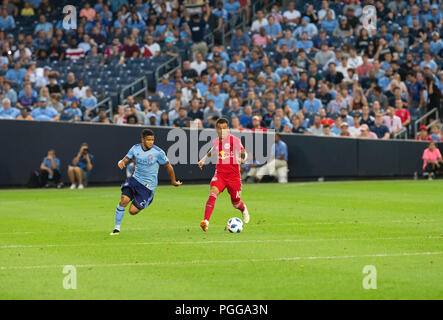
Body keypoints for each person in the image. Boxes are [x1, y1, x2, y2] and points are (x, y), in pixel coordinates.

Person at [111, 129, 182, 235]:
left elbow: (168, 166)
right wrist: (122, 162)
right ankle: (116, 228)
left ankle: (145, 199)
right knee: (123, 200)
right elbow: (126, 158)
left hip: (148, 187)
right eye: (148, 140)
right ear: (143, 139)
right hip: (135, 180)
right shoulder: (135, 148)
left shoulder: (158, 152)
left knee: (132, 211)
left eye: (152, 140)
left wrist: (173, 181)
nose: (151, 142)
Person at [197, 118, 250, 232]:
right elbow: (212, 151)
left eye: (224, 128)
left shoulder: (234, 140)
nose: (222, 131)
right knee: (213, 193)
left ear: (228, 128)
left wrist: (243, 159)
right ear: (216, 129)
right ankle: (206, 221)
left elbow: (244, 153)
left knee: (236, 203)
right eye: (219, 128)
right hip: (220, 174)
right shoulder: (216, 141)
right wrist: (203, 160)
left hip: (234, 177)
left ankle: (243, 208)